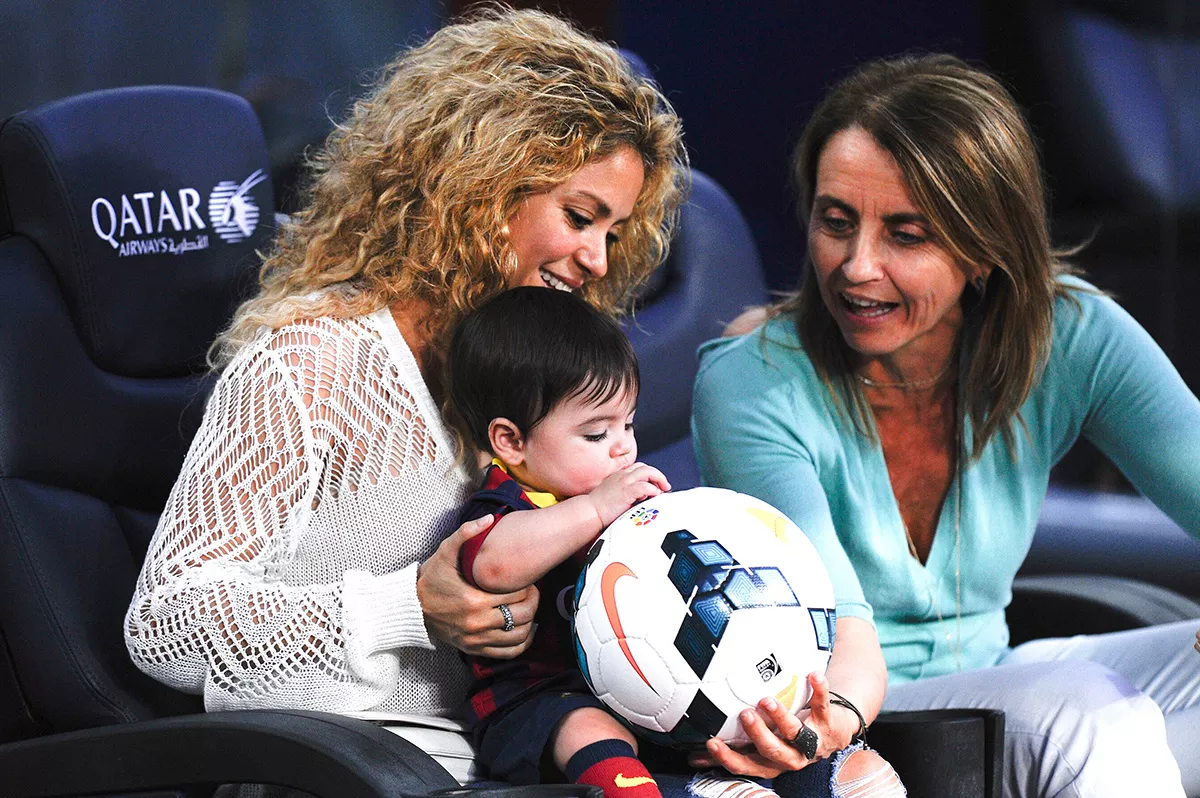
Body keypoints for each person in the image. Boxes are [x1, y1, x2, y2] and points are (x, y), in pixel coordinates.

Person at [122, 8, 901, 798]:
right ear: (480, 186)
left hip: (537, 762)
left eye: (614, 231)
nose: (597, 259)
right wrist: (409, 607)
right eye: (579, 217)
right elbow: (166, 624)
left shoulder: (547, 382)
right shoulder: (311, 364)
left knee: (859, 784)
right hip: (352, 772)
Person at [692, 53, 1200, 798]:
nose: (857, 267)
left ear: (985, 246)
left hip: (1007, 684)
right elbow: (839, 630)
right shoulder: (750, 381)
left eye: (906, 234)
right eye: (837, 223)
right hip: (855, 713)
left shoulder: (1072, 336)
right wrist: (834, 718)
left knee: (1096, 712)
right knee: (1091, 711)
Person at [447, 286, 901, 798]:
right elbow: (492, 565)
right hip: (540, 701)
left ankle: (826, 778)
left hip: (655, 695)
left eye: (628, 424)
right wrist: (594, 509)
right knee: (591, 727)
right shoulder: (504, 505)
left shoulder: (623, 502)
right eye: (596, 435)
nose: (623, 447)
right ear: (511, 441)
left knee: (748, 715)